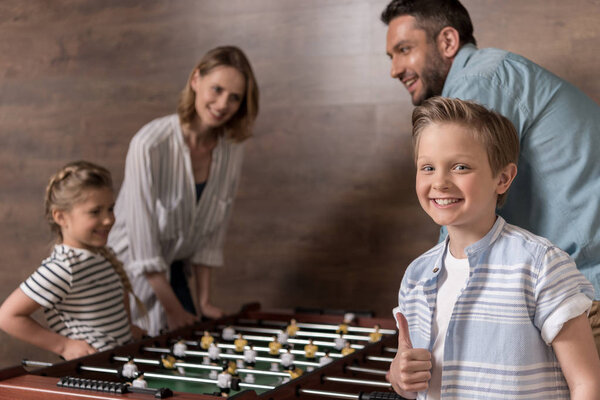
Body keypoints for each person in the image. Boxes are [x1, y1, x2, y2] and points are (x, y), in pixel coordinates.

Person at [381, 0, 600, 353]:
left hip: (583, 293)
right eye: (391, 56)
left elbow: (459, 210)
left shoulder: (479, 81)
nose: (395, 69)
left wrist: (435, 300)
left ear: (448, 42)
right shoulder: (493, 72)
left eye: (404, 50)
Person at [388, 97, 600, 399]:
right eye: (428, 167)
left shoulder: (541, 265)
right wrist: (399, 376)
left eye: (460, 167)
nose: (440, 182)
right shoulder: (415, 277)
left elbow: (587, 384)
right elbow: (407, 381)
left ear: (503, 178)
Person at [108, 46, 260, 336]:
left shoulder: (232, 148)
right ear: (195, 80)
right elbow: (143, 244)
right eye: (216, 89)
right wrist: (173, 310)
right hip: (127, 274)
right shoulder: (149, 144)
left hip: (174, 270)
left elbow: (212, 233)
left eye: (235, 97)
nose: (222, 104)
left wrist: (204, 301)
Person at [0, 161, 144, 360]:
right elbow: (7, 317)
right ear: (61, 217)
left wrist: (126, 330)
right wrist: (64, 346)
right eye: (95, 211)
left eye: (110, 209)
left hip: (119, 364)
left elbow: (113, 301)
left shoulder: (102, 255)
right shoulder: (62, 267)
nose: (109, 219)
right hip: (94, 374)